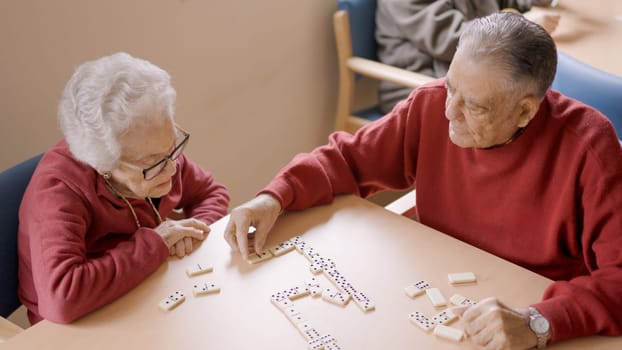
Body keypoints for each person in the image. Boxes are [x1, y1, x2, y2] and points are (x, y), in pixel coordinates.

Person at [224, 12, 622, 349]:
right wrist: (275, 197)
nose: (450, 112)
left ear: (525, 112)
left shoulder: (591, 149)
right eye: (451, 89)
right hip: (440, 298)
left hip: (530, 314)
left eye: (475, 107)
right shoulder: (430, 105)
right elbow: (347, 158)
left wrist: (540, 322)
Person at [17, 52, 230, 324]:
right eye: (152, 163)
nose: (173, 169)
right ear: (103, 165)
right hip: (83, 321)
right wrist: (156, 243)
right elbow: (61, 298)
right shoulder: (58, 190)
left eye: (172, 147)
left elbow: (211, 192)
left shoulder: (157, 151)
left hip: (144, 286)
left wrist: (191, 231)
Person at [376, 0, 561, 113]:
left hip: (473, 77)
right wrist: (523, 23)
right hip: (422, 86)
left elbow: (507, 3)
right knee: (528, 106)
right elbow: (452, 40)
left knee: (537, 102)